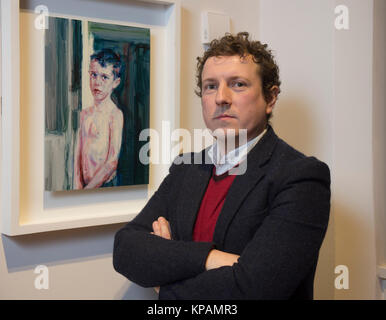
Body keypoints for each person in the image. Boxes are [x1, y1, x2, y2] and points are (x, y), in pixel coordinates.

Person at [113, 32, 330, 299]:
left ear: (270, 99)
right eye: (210, 86)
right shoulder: (186, 167)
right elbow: (125, 249)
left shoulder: (301, 177)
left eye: (238, 84)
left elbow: (256, 289)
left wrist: (165, 284)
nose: (221, 98)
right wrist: (213, 258)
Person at [74, 49, 124, 189]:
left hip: (104, 185)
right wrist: (78, 186)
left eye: (104, 77)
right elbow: (77, 156)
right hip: (84, 186)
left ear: (115, 82)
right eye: (94, 75)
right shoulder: (84, 114)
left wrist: (88, 190)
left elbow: (112, 162)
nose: (97, 82)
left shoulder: (114, 115)